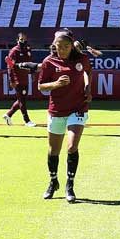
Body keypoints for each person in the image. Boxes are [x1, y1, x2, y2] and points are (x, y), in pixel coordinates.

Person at [37, 31, 92, 203]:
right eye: (58, 46)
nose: (61, 50)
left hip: (77, 108)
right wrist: (56, 84)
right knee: (54, 150)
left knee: (71, 147)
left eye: (66, 47)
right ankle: (53, 182)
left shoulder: (81, 59)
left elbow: (88, 72)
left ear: (72, 45)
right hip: (56, 109)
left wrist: (88, 88)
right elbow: (40, 86)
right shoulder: (48, 62)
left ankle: (70, 185)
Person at [3, 32, 37, 128]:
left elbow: (30, 63)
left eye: (25, 39)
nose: (23, 41)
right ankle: (27, 120)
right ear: (17, 40)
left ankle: (8, 115)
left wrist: (32, 73)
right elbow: (10, 66)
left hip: (25, 78)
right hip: (17, 79)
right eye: (21, 39)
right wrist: (11, 80)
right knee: (22, 100)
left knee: (22, 99)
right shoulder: (14, 51)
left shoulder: (27, 49)